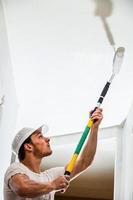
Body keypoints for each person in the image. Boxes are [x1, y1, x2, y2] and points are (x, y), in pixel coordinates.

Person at [3, 108, 103, 200]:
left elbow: (85, 162)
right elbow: (23, 188)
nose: (47, 139)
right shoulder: (15, 169)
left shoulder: (50, 176)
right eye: (40, 137)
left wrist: (94, 128)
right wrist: (52, 185)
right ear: (28, 146)